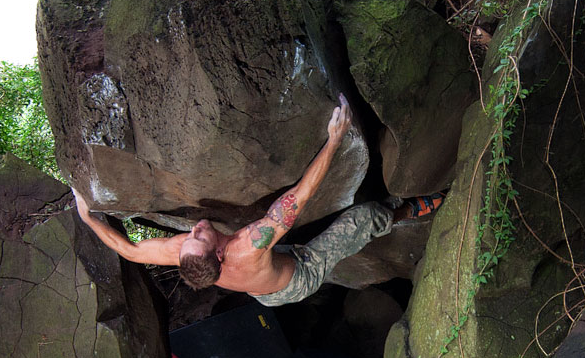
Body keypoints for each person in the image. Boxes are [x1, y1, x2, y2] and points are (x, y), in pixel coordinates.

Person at [71, 94, 443, 304]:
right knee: (363, 219)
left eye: (190, 237)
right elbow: (298, 197)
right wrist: (334, 138)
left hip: (262, 289)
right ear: (218, 254)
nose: (195, 229)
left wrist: (89, 219)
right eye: (199, 236)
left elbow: (131, 251)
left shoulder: (183, 253)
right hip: (298, 277)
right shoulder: (248, 245)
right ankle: (414, 208)